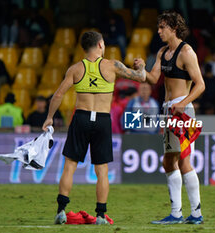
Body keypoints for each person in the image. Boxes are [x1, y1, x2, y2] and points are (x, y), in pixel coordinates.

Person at [41, 31, 146, 225]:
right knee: (102, 170)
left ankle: (61, 211)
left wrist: (49, 118)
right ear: (100, 45)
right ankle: (100, 215)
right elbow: (141, 78)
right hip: (102, 120)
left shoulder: (75, 69)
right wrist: (142, 66)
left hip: (80, 117)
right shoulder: (112, 65)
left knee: (70, 165)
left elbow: (57, 95)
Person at [134, 11, 205, 224]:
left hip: (182, 111)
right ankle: (182, 213)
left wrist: (182, 103)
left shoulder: (186, 52)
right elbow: (154, 78)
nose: (159, 31)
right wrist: (141, 70)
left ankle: (192, 213)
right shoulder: (163, 52)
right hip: (168, 111)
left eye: (162, 27)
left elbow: (201, 84)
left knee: (182, 161)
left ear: (174, 28)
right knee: (169, 162)